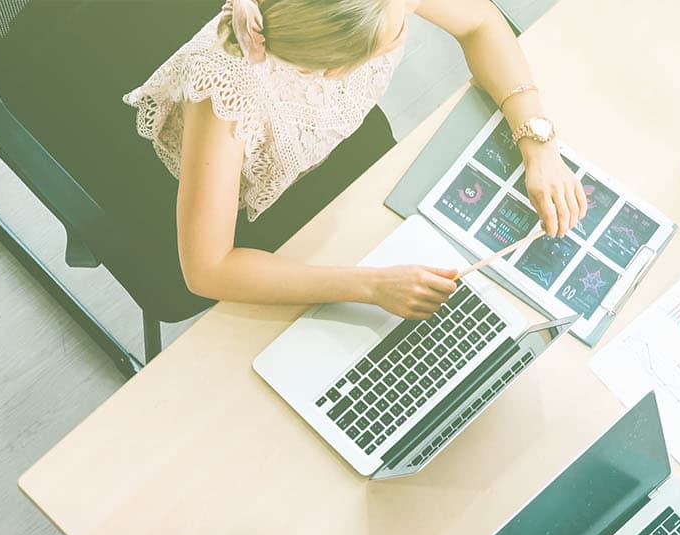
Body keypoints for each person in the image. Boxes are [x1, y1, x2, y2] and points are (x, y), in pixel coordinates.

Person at [123, 0, 587, 318]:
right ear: (333, 71)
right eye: (397, 32)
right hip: (247, 212)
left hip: (341, 159)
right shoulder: (225, 94)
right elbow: (208, 268)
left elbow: (480, 22)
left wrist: (537, 142)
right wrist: (370, 287)